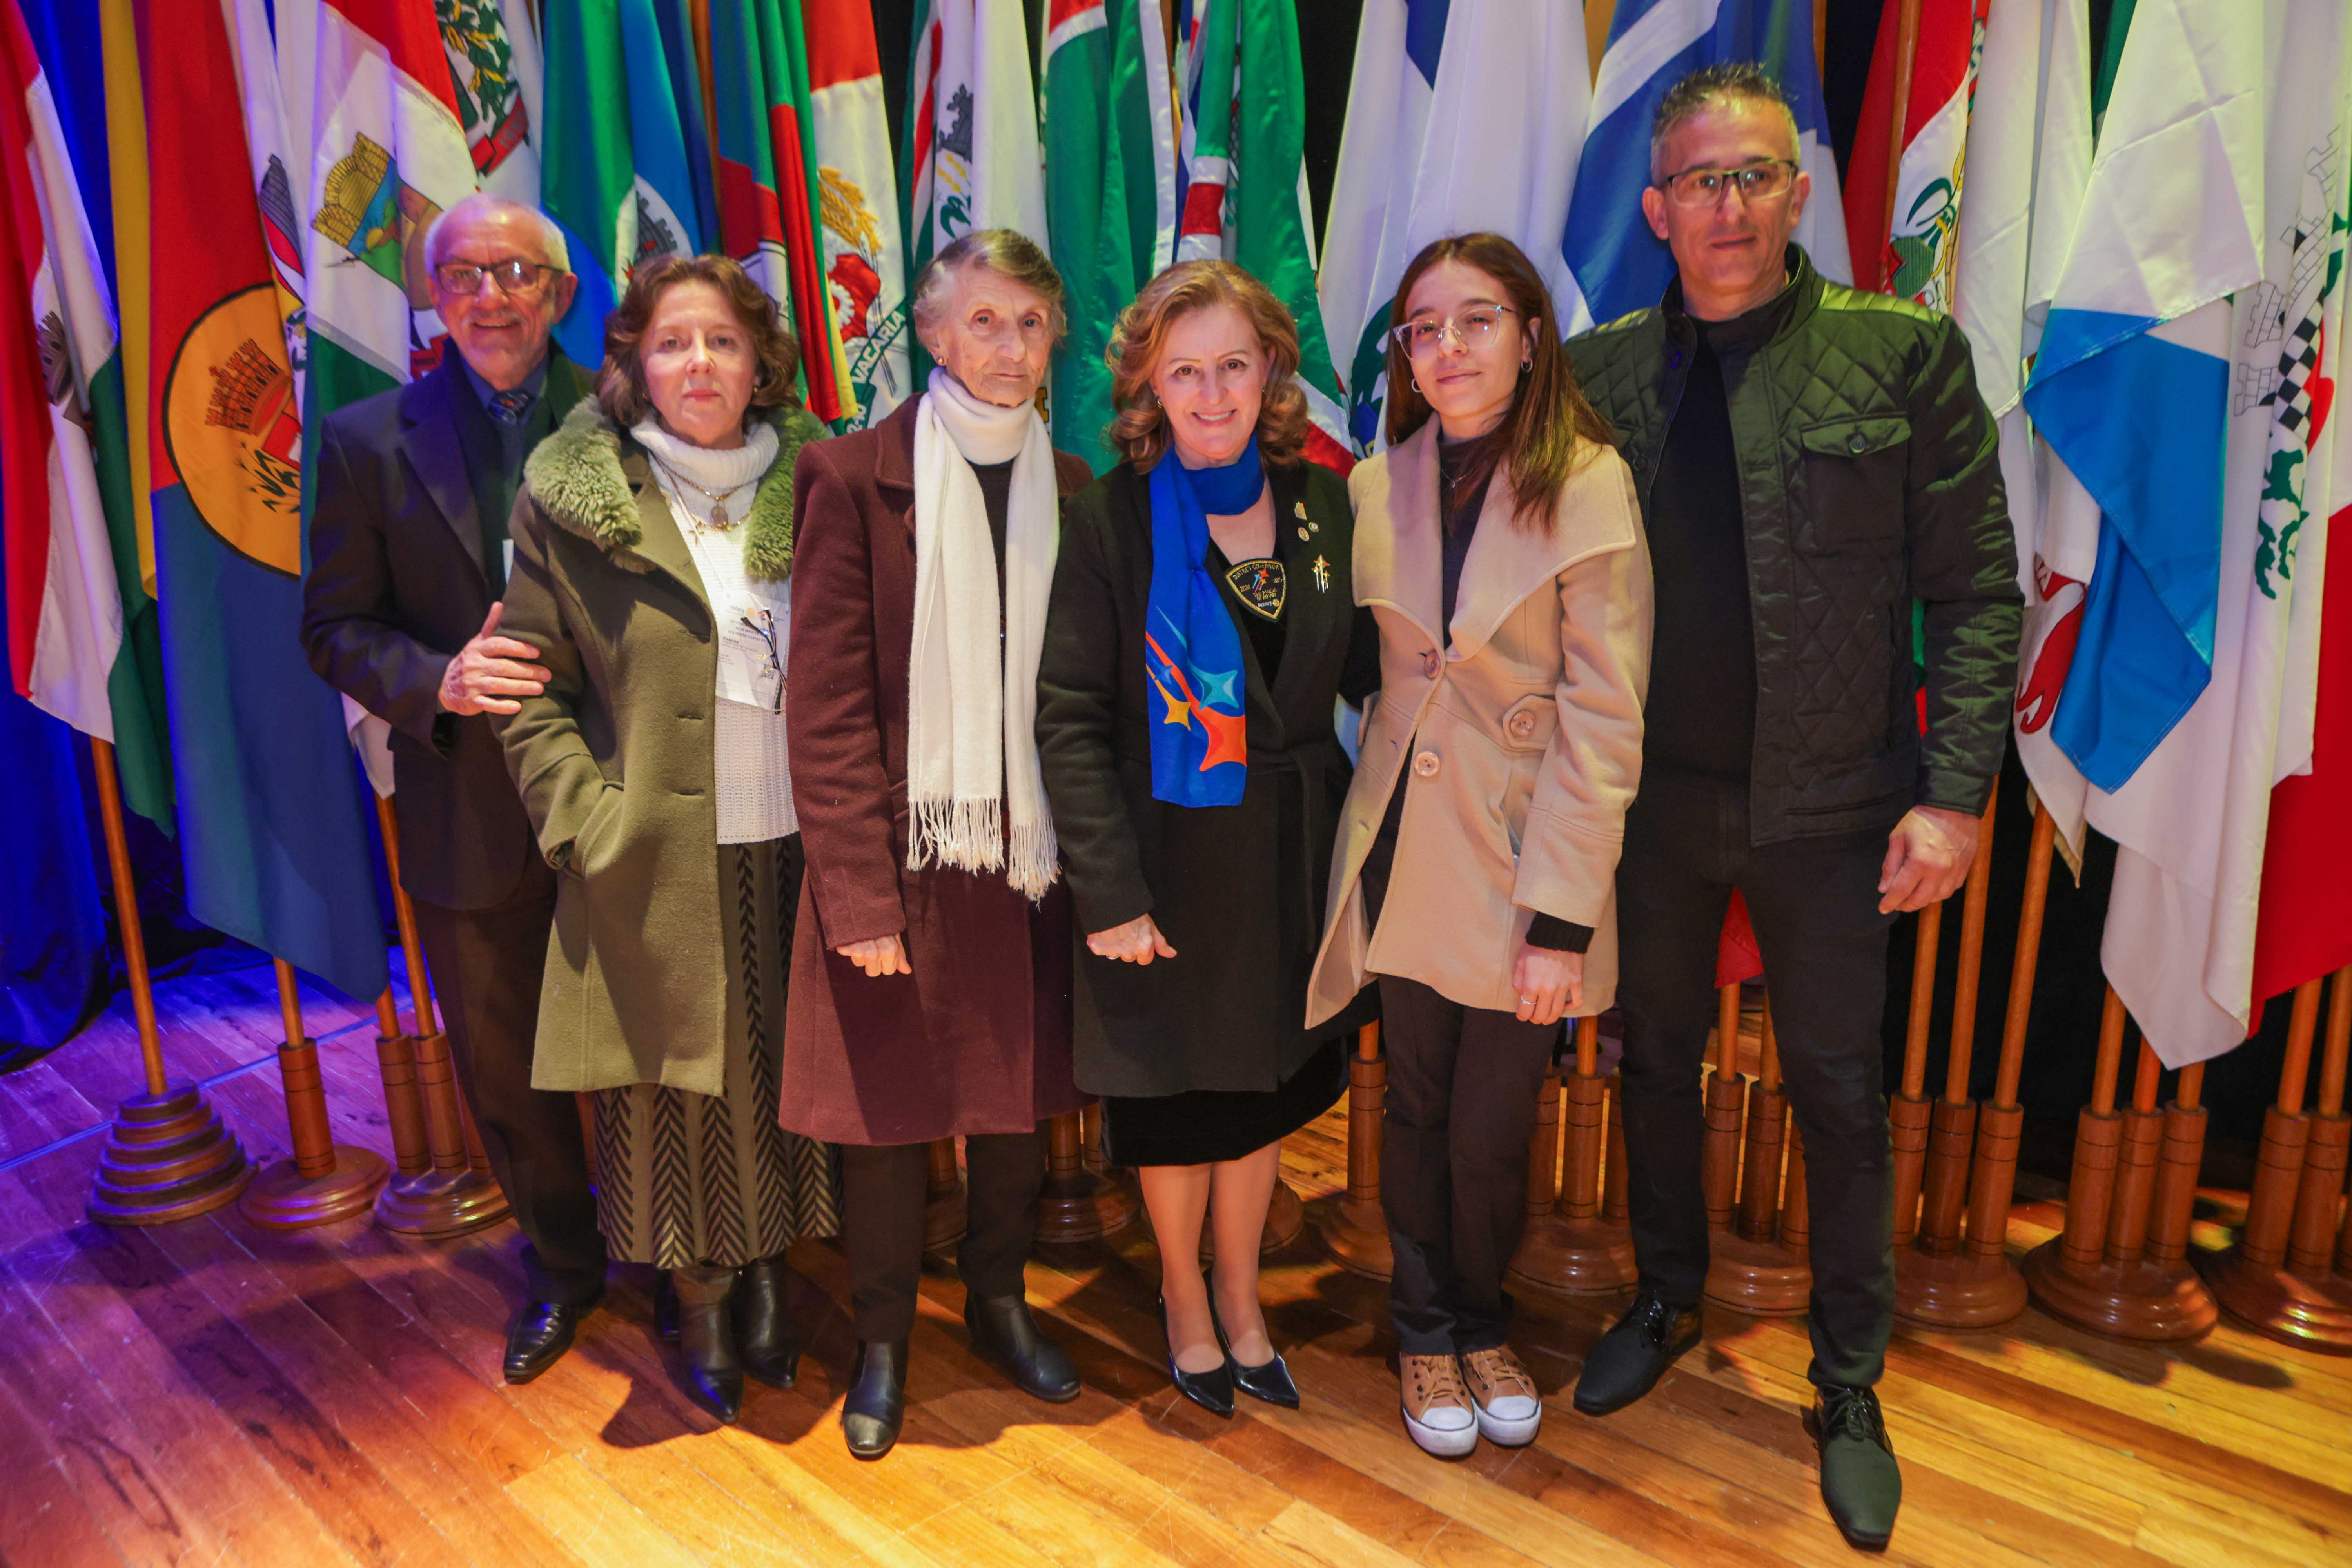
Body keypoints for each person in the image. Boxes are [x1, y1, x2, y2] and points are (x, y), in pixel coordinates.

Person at [1563, 64, 2018, 1551]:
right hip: (1649, 808)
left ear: (1800, 191)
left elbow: (1978, 591)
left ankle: (1850, 1382)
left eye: (1755, 175)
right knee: (1654, 1064)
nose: (1730, 205)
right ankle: (1665, 1297)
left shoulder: (1904, 355)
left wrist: (1955, 799)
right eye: (1702, 180)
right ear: (1657, 208)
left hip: (1835, 812)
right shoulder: (1602, 374)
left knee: (1835, 1093)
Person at [1306, 232, 1652, 1459]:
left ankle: (1479, 1319)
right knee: (1414, 1107)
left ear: (1530, 336)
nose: (1447, 347)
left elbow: (1607, 719)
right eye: (1424, 328)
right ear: (1403, 353)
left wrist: (1561, 919)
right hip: (1405, 841)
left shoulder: (1589, 482)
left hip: (1520, 859)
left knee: (1491, 1125)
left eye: (1477, 320)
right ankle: (1422, 1329)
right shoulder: (1374, 484)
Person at [493, 254, 840, 1425]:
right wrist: (583, 823)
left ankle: (772, 1275)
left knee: (783, 1074)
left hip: (797, 846)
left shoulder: (817, 483)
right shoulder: (573, 500)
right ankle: (702, 1300)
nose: (700, 364)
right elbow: (527, 690)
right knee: (679, 1094)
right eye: (674, 343)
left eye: (724, 342)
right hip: (651, 850)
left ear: (762, 364)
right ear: (636, 364)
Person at [1036, 261, 1377, 1418]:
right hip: (1164, 865)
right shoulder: (1108, 520)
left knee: (1258, 1098)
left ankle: (1243, 1296)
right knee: (1178, 1105)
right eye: (1185, 371)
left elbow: (1369, 664)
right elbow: (1069, 716)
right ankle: (1184, 1297)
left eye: (1234, 364)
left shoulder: (1327, 502)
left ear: (1272, 367)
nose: (1213, 392)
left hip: (1287, 860)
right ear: (1148, 383)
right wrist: (1110, 893)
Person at [784, 229, 1093, 1460]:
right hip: (905, 858)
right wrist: (857, 901)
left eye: (1030, 323)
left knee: (1016, 1108)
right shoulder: (851, 477)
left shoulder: (1075, 486)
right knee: (891, 1119)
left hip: (1030, 859)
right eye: (983, 321)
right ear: (930, 330)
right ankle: (883, 1342)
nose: (1008, 347)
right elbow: (826, 708)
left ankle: (1000, 1298)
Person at [301, 192, 609, 1385]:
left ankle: (690, 1265)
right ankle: (565, 1270)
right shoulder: (363, 441)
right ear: (435, 298)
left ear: (560, 294)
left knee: (656, 1050)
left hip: (627, 796)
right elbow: (332, 629)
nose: (491, 296)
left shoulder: (631, 419)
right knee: (506, 1061)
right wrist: (442, 677)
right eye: (465, 275)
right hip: (470, 807)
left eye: (517, 272)